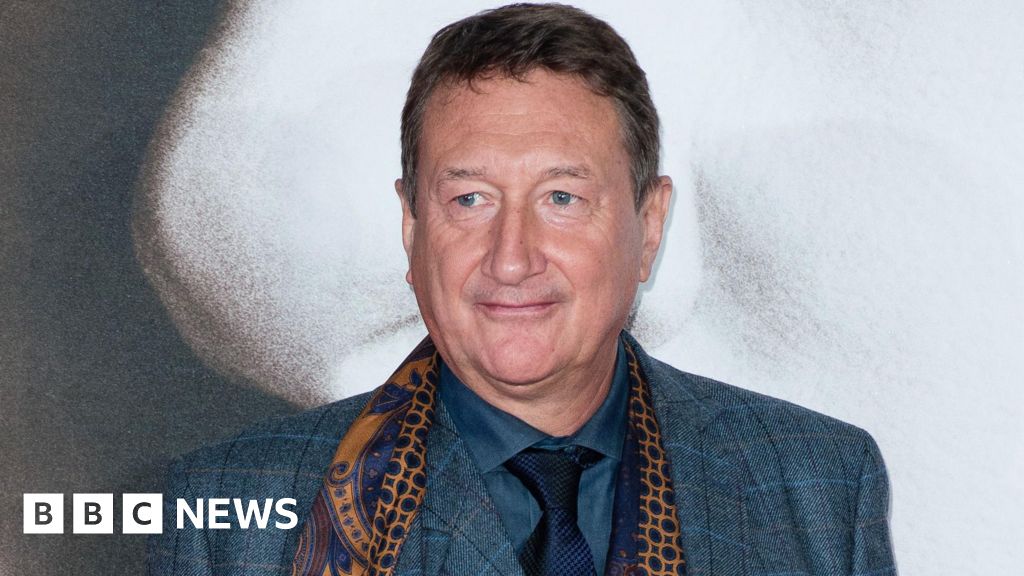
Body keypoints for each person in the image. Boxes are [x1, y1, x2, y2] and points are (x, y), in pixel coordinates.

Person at [148, 4, 896, 575]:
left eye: (562, 198)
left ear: (650, 226)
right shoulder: (231, 514)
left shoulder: (821, 484)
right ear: (411, 226)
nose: (512, 260)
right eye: (469, 199)